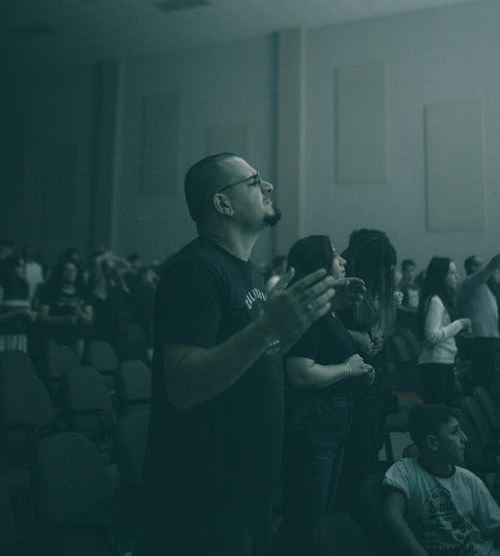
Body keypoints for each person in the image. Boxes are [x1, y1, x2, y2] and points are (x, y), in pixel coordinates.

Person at [134, 153, 337, 556]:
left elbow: (259, 355)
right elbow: (182, 384)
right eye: (253, 181)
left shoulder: (249, 272)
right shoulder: (196, 271)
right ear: (222, 204)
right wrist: (267, 327)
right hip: (204, 498)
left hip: (250, 489)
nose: (268, 186)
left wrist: (293, 326)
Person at [277, 235, 371, 556]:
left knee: (321, 514)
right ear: (319, 266)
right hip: (314, 422)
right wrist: (347, 369)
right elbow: (300, 373)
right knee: (307, 517)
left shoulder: (326, 308)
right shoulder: (307, 310)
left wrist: (356, 369)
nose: (342, 260)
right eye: (334, 256)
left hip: (331, 419)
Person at [383, 404, 500, 555]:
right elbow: (392, 515)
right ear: (433, 443)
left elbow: (495, 526)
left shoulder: (470, 480)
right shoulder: (404, 471)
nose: (465, 438)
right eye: (455, 432)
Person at [337, 228, 398, 508]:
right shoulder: (344, 286)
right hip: (351, 381)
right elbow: (321, 325)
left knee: (370, 444)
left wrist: (378, 330)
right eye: (383, 267)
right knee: (355, 454)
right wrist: (357, 336)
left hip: (375, 378)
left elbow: (380, 331)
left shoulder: (377, 288)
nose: (387, 273)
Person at [417, 257, 471, 405]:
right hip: (435, 363)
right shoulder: (435, 300)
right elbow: (432, 335)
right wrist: (460, 324)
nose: (457, 276)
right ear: (441, 276)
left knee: (442, 410)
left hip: (442, 361)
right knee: (436, 412)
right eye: (452, 273)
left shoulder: (440, 299)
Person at [456, 253, 500, 391]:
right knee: (481, 377)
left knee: (488, 375)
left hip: (487, 338)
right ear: (470, 267)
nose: (481, 266)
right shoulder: (471, 282)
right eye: (477, 264)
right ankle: (475, 407)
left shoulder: (484, 286)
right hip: (479, 338)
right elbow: (491, 266)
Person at [38, 259, 93, 359]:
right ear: (60, 272)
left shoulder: (83, 292)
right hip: (54, 338)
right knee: (55, 370)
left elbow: (89, 319)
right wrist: (65, 319)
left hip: (77, 339)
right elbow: (42, 317)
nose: (70, 273)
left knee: (75, 371)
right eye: (67, 270)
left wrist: (80, 313)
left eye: (73, 270)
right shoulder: (49, 291)